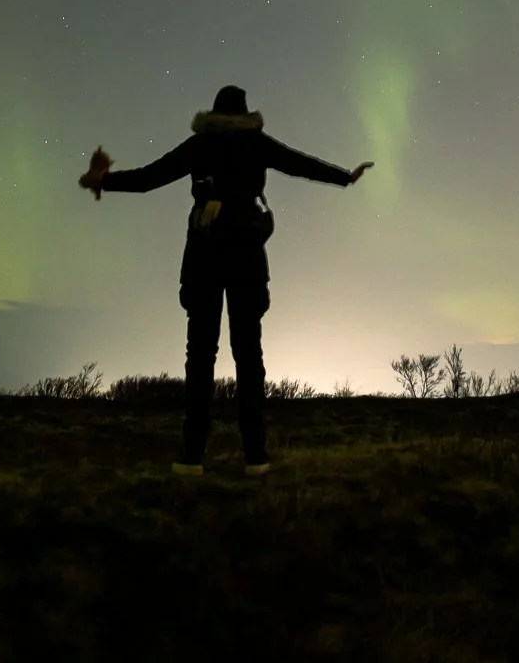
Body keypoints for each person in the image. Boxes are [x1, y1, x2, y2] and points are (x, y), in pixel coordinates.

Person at [78, 84, 372, 477]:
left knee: (200, 358)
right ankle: (256, 457)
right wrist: (344, 177)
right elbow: (300, 164)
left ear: (214, 112)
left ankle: (191, 456)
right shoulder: (258, 143)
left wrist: (104, 181)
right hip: (248, 256)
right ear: (246, 113)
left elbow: (151, 177)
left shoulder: (200, 145)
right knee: (249, 357)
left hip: (203, 253)